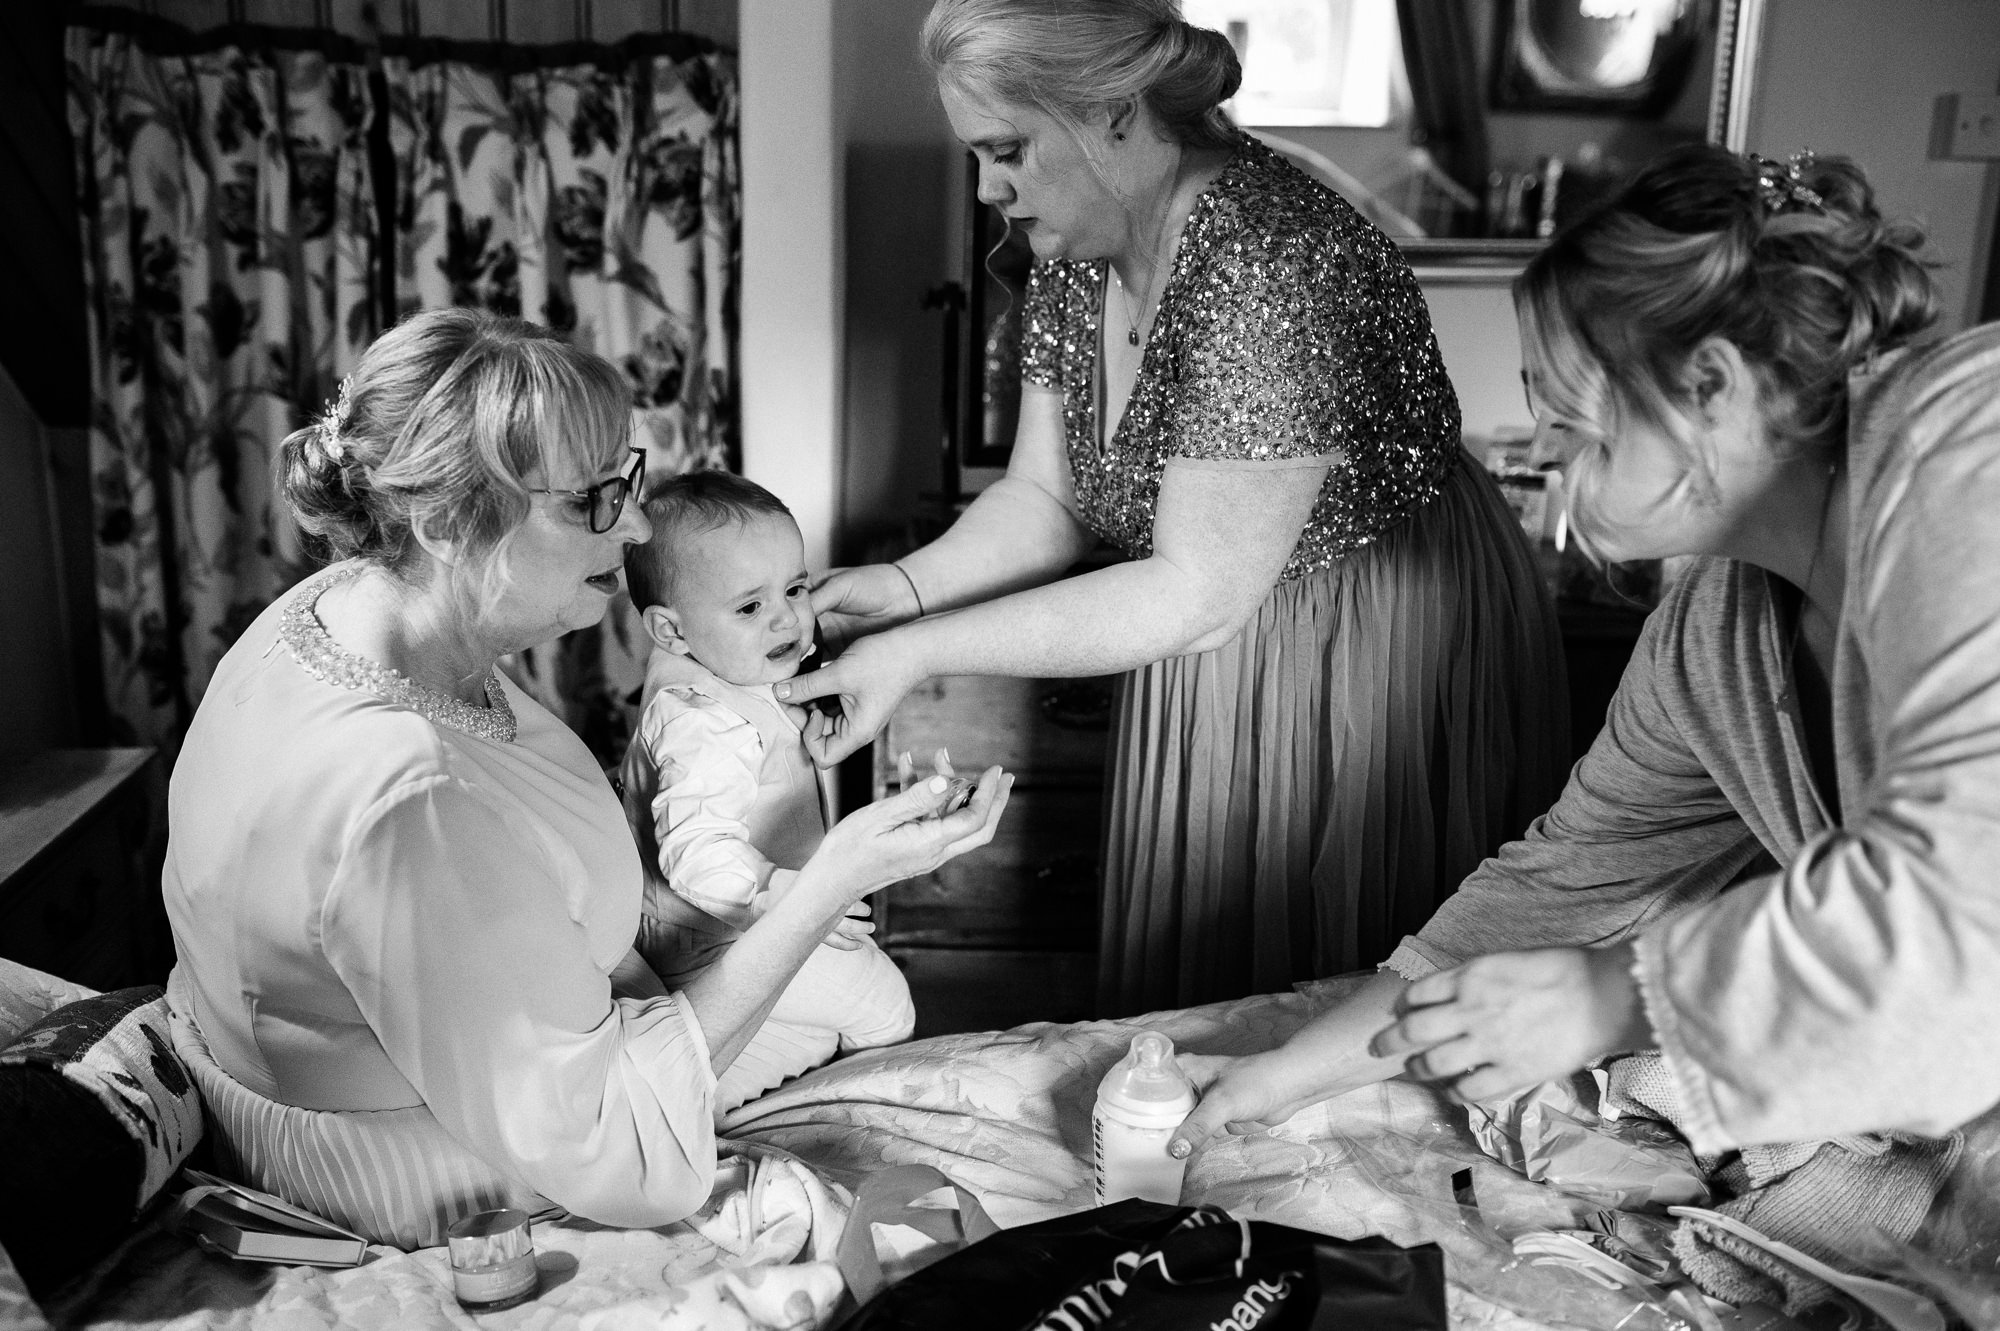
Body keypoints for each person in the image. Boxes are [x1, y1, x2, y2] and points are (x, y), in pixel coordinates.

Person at [1170, 145, 2000, 1298]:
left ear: (1708, 386)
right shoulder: (1713, 630)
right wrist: (1278, 1076)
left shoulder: (1967, 450)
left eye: (1569, 418)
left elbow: (1970, 900)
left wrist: (1615, 994)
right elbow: (1548, 891)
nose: (1547, 457)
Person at [779, 0, 1571, 1015]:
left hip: (1362, 637)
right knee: (1197, 992)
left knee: (1327, 999)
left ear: (1111, 110)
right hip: (1192, 621)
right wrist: (899, 591)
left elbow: (1199, 591)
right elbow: (1043, 496)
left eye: (1007, 149)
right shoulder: (1080, 249)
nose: (987, 187)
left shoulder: (1268, 258)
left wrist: (922, 650)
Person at [160, 308, 1010, 1250]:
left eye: (629, 479)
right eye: (590, 500)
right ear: (448, 522)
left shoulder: (345, 609)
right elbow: (606, 1135)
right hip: (437, 1176)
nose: (636, 522)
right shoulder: (408, 798)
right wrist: (834, 879)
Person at [620, 471, 916, 1112]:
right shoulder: (702, 720)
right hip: (719, 940)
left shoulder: (728, 671)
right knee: (885, 1004)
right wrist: (784, 895)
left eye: (795, 587)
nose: (786, 617)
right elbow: (695, 851)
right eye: (750, 606)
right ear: (671, 631)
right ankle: (874, 1107)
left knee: (797, 1033)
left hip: (738, 931)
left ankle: (711, 1104)